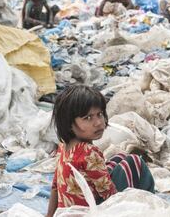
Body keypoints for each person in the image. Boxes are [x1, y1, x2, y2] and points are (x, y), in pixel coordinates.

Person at [46, 85, 154, 216]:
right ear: (69, 123)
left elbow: (55, 186)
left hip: (67, 212)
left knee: (119, 157)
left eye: (100, 114)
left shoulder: (63, 146)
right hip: (91, 212)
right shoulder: (88, 152)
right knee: (135, 162)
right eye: (88, 118)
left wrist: (49, 215)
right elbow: (110, 195)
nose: (98, 123)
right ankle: (150, 206)